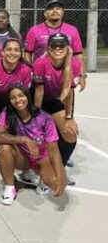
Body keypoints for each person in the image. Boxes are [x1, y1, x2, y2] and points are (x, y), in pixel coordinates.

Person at [0, 84, 66, 205]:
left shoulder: (44, 118)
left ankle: (43, 180)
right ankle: (10, 188)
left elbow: (54, 151)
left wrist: (60, 176)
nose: (17, 100)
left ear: (27, 96)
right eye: (13, 98)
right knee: (3, 147)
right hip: (23, 158)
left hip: (42, 159)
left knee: (56, 185)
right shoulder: (7, 112)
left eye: (21, 95)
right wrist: (24, 139)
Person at [33, 33, 80, 180]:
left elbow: (70, 92)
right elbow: (39, 91)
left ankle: (59, 167)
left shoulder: (74, 64)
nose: (58, 49)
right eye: (54, 46)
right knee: (37, 133)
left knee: (70, 133)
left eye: (62, 46)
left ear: (68, 48)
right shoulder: (40, 62)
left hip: (58, 101)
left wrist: (69, 117)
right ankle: (34, 168)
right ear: (48, 48)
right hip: (40, 99)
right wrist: (36, 115)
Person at [0, 39, 32, 163]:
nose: (12, 53)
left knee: (20, 127)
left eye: (16, 50)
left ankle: (18, 160)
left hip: (13, 100)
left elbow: (24, 96)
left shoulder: (25, 70)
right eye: (9, 49)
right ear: (2, 52)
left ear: (21, 53)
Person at [24, 0, 86, 91]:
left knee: (65, 103)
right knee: (39, 104)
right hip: (41, 77)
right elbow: (28, 53)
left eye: (58, 8)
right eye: (51, 9)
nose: (55, 11)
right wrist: (30, 72)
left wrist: (81, 75)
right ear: (45, 13)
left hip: (65, 75)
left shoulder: (72, 30)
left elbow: (78, 54)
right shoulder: (34, 30)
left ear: (63, 12)